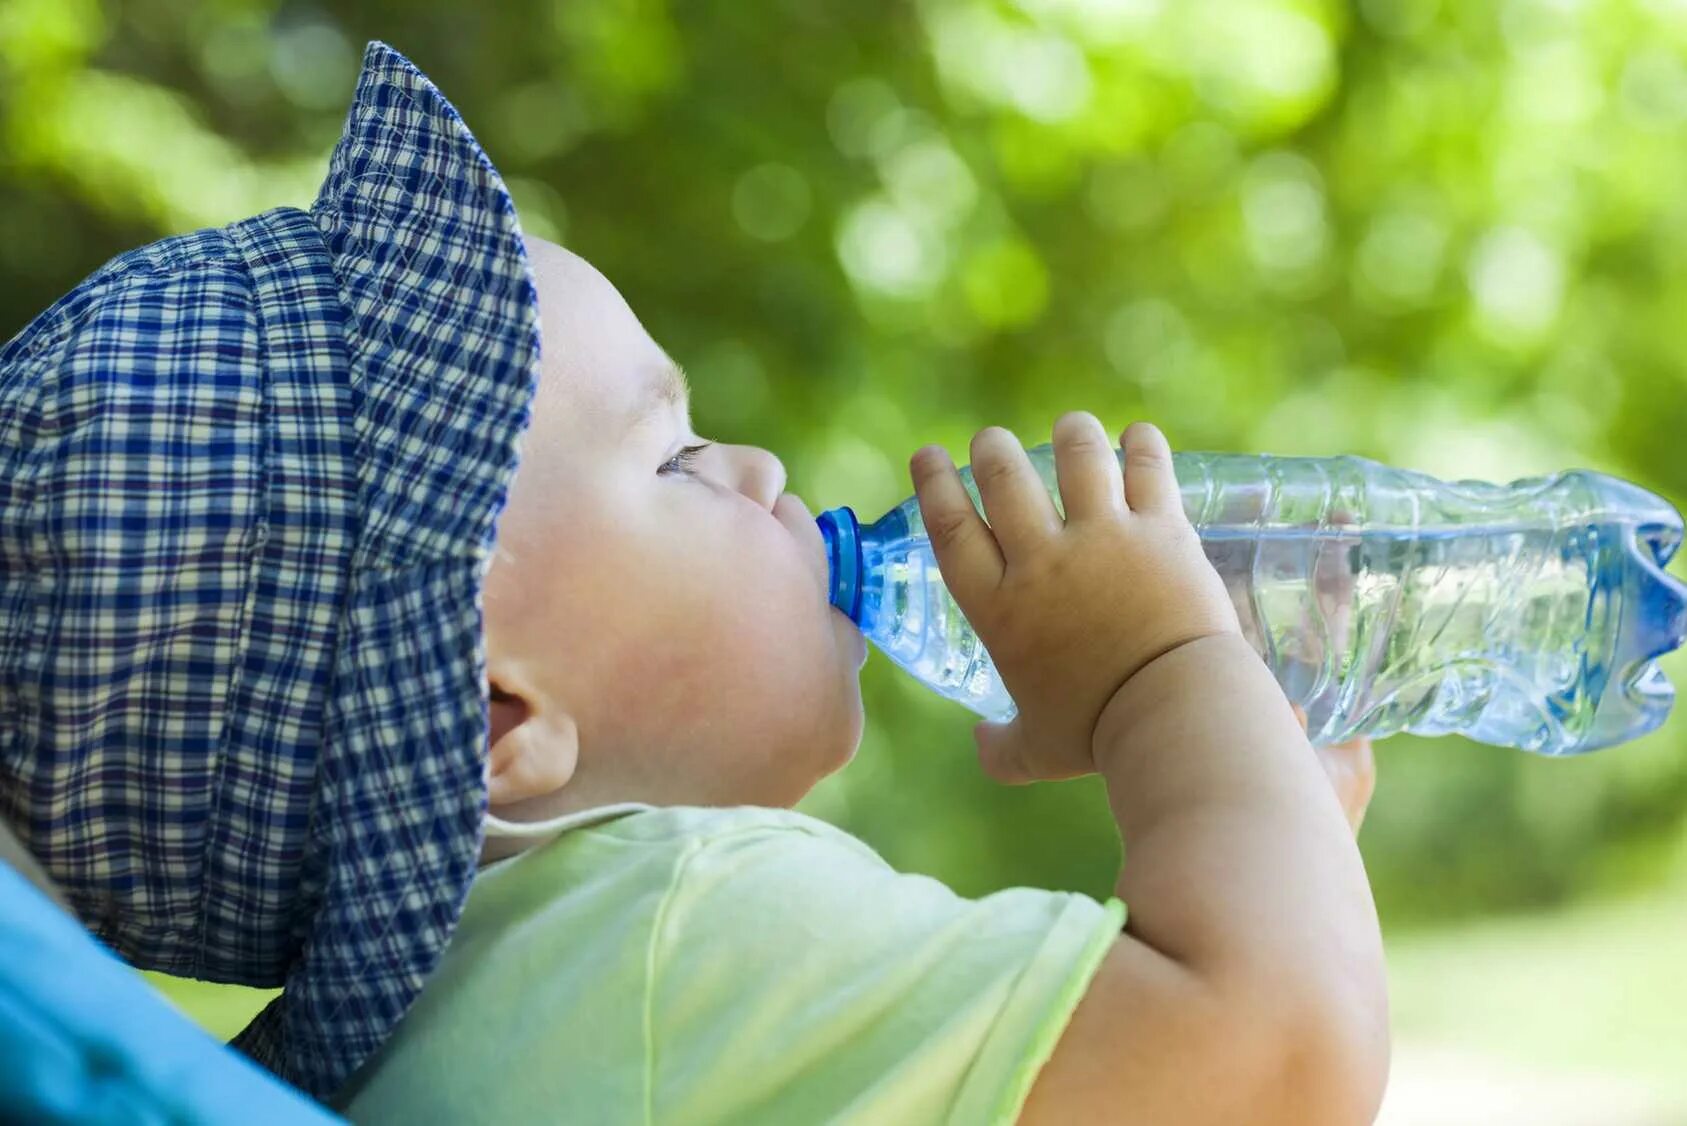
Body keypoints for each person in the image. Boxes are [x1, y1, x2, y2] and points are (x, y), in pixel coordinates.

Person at [0, 39, 1387, 1122]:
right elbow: (1279, 1061)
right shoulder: (672, 929)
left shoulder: (472, 1031)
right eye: (673, 459)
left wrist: (1267, 804)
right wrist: (1164, 680)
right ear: (491, 714)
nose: (763, 469)